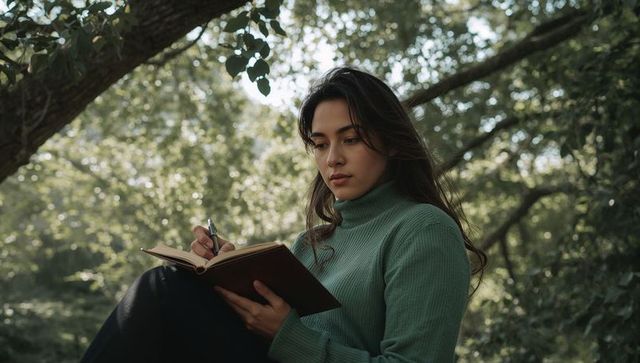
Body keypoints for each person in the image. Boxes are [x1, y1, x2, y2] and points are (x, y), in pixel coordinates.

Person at [81, 67, 487, 363]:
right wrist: (229, 280)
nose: (333, 159)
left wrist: (288, 335)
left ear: (392, 143)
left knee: (163, 290)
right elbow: (266, 334)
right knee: (176, 288)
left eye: (351, 139)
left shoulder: (423, 229)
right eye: (319, 143)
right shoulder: (313, 243)